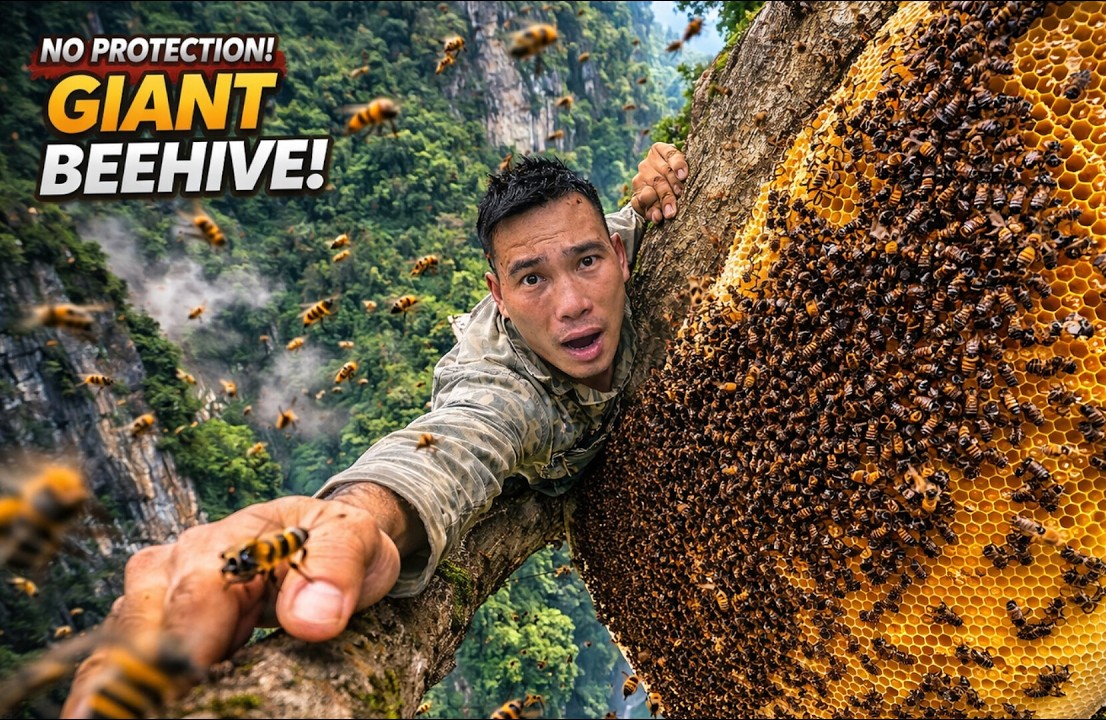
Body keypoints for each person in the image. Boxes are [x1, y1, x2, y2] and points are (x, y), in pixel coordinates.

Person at [60, 143, 688, 716]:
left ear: (618, 254)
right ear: (497, 294)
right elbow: (450, 446)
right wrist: (350, 523)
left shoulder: (628, 240)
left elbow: (642, 201)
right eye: (532, 279)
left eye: (586, 261)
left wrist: (662, 169)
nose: (572, 302)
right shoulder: (504, 390)